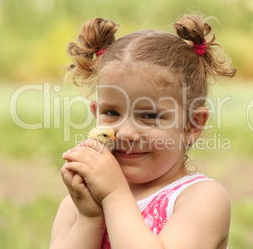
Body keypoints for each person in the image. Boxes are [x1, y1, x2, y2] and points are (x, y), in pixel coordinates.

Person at [50, 14, 236, 249]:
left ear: (192, 124)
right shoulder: (77, 204)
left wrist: (114, 195)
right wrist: (90, 218)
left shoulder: (201, 199)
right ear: (96, 114)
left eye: (150, 116)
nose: (126, 133)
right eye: (112, 113)